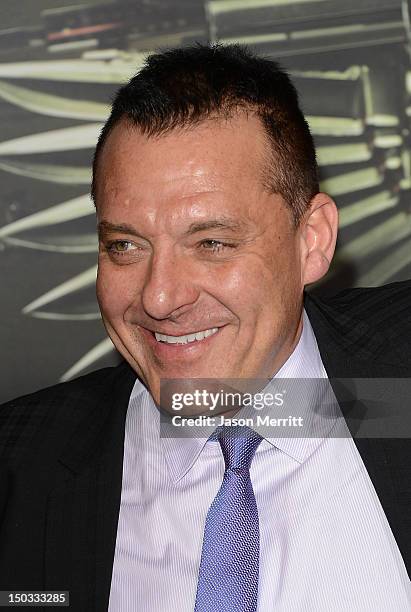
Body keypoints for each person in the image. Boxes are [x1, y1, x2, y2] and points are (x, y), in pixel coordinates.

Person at [0, 44, 410, 611]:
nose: (160, 296)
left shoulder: (397, 383)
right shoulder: (21, 464)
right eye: (125, 245)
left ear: (311, 240)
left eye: (211, 243)